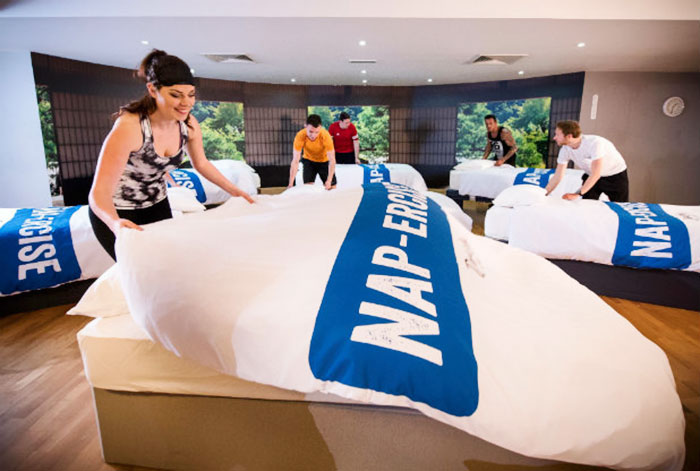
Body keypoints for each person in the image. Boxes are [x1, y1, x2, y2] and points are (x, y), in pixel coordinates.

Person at [88, 49, 255, 260]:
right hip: (118, 211)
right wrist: (113, 222)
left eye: (191, 95)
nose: (186, 103)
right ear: (152, 90)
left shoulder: (189, 124)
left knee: (166, 265)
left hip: (157, 204)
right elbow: (99, 192)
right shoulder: (130, 127)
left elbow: (201, 163)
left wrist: (236, 192)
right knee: (137, 272)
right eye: (176, 95)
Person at [546, 120, 629, 202]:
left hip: (615, 176)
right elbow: (558, 176)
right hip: (591, 176)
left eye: (557, 135)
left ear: (569, 136)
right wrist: (543, 194)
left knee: (619, 207)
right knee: (586, 205)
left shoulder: (594, 143)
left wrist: (577, 194)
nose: (554, 138)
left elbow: (596, 174)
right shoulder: (565, 150)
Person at [288, 114, 337, 190]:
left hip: (324, 161)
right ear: (305, 126)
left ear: (320, 128)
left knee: (332, 187)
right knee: (308, 188)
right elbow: (295, 161)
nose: (313, 135)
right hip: (309, 161)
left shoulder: (325, 136)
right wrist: (290, 184)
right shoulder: (300, 135)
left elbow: (332, 160)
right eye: (310, 131)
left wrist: (329, 180)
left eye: (316, 132)